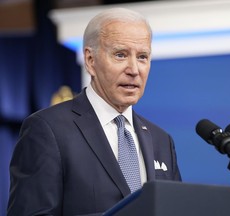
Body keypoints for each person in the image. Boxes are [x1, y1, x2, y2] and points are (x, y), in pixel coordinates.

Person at [7, 7, 181, 216]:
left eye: (142, 57)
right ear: (90, 60)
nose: (134, 69)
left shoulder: (161, 141)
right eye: (120, 55)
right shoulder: (48, 130)